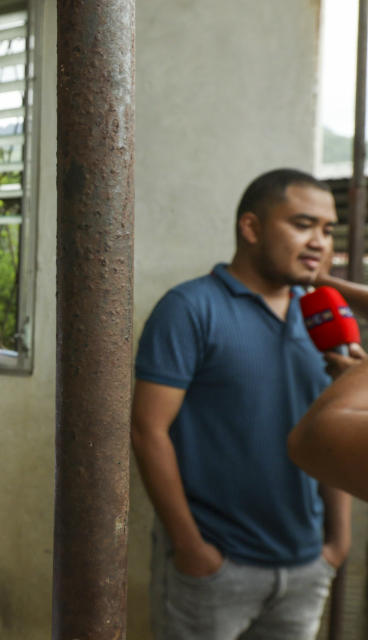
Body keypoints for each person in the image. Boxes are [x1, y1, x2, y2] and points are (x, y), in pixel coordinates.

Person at [131, 168, 352, 640]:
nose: (319, 241)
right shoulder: (190, 308)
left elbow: (328, 437)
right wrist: (191, 548)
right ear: (250, 228)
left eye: (328, 230)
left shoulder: (323, 318)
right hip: (215, 565)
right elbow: (147, 431)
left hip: (306, 565)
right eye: (302, 224)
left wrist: (337, 542)